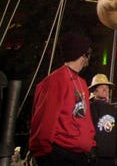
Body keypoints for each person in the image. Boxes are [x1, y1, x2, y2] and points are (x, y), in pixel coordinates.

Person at [29, 32, 96, 166]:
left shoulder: (81, 83)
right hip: (59, 154)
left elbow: (84, 117)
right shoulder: (55, 81)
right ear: (83, 54)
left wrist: (90, 143)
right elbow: (45, 118)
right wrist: (42, 153)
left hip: (79, 154)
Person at [89, 73, 117, 166]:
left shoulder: (113, 109)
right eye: (101, 86)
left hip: (111, 156)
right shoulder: (90, 108)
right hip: (95, 156)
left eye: (107, 87)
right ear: (94, 91)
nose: (105, 89)